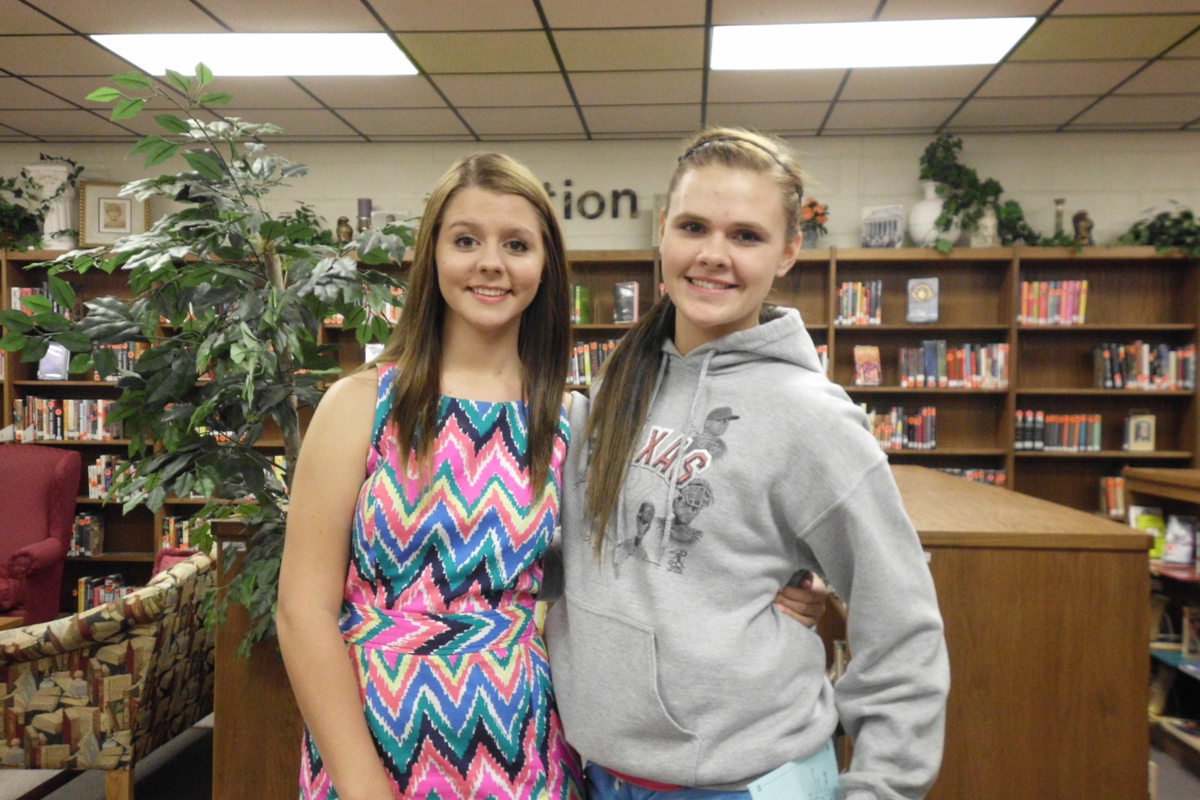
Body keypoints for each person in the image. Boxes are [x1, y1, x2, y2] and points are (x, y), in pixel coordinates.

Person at [545, 128, 950, 799]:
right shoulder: (615, 386)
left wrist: (881, 788)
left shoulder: (812, 419)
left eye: (746, 236)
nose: (713, 255)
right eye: (694, 226)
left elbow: (901, 624)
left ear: (789, 251)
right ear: (663, 236)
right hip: (600, 773)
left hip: (745, 781)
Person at [277, 152, 584, 799]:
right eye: (466, 240)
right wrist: (363, 787)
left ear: (545, 265)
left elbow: (607, 584)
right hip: (372, 742)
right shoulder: (360, 405)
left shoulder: (568, 423)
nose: (490, 262)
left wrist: (781, 591)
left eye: (517, 244)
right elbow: (302, 610)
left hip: (520, 745)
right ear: (433, 255)